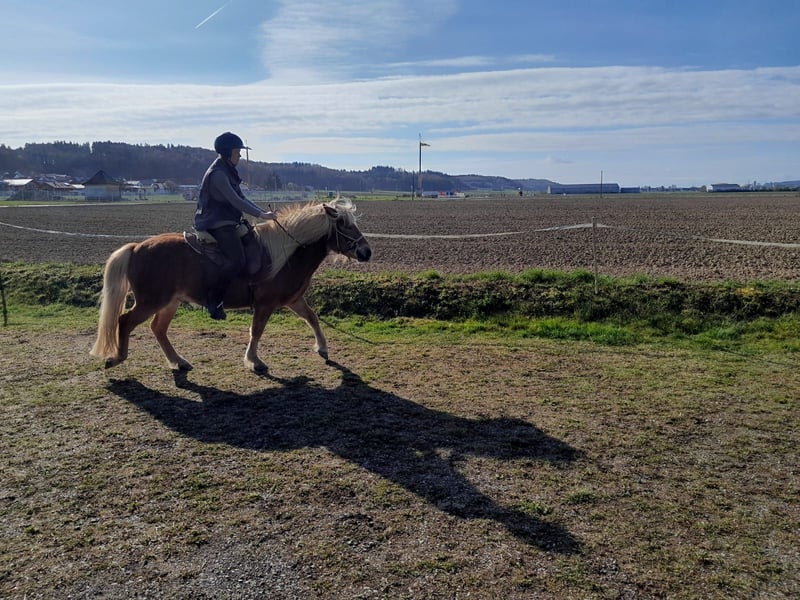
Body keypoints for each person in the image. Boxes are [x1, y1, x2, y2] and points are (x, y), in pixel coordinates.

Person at [194, 132, 276, 320]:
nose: (239, 155)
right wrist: (261, 215)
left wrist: (264, 213)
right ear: (227, 152)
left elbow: (243, 198)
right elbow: (236, 201)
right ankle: (214, 300)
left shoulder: (227, 170)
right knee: (237, 260)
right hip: (216, 223)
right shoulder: (218, 174)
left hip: (229, 221)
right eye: (237, 152)